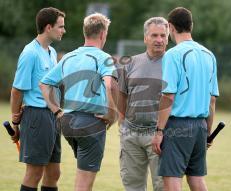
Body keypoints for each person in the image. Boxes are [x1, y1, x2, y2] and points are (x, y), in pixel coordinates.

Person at [39, 13, 118, 191]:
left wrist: (57, 112)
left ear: (85, 33)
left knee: (81, 174)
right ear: (103, 34)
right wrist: (112, 114)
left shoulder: (68, 57)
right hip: (91, 123)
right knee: (84, 183)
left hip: (67, 123)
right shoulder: (103, 58)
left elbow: (44, 83)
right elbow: (110, 85)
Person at [151, 7, 219, 191]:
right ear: (191, 26)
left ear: (170, 27)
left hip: (177, 127)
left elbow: (168, 96)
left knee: (172, 180)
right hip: (200, 127)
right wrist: (207, 131)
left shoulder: (173, 55)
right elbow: (212, 100)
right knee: (196, 180)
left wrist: (158, 131)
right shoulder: (209, 55)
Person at [10, 7, 66, 191]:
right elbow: (17, 90)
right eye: (60, 26)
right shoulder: (30, 53)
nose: (63, 31)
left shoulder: (51, 52)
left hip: (53, 117)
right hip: (37, 116)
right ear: (48, 27)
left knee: (54, 173)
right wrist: (15, 121)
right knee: (34, 173)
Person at [118, 17, 169, 191]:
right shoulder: (130, 63)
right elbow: (122, 94)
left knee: (163, 186)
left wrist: (161, 131)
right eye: (154, 35)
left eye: (163, 35)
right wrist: (122, 123)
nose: (159, 40)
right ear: (145, 38)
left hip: (160, 135)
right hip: (131, 134)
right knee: (132, 185)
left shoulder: (174, 63)